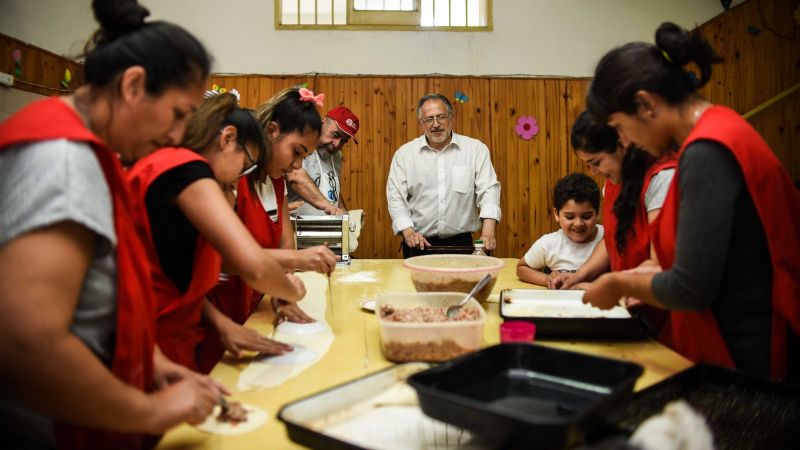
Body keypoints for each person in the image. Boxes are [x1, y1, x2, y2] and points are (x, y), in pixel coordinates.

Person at [0, 0, 221, 448]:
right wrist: (150, 410)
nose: (179, 136)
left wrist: (149, 360)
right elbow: (26, 344)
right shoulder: (63, 160)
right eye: (179, 114)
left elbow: (90, 305)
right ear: (134, 85)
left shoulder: (92, 151)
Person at [583, 22, 800, 381]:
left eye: (620, 127)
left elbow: (690, 288)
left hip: (748, 351)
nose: (626, 141)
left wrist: (617, 284)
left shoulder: (707, 151)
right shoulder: (719, 129)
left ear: (645, 104)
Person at [127, 91, 323, 374]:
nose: (238, 181)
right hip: (154, 336)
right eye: (244, 167)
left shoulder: (184, 170)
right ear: (227, 138)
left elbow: (189, 278)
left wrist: (223, 324)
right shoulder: (187, 173)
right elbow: (247, 264)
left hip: (174, 336)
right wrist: (289, 286)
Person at [201, 87, 337, 373]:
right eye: (296, 152)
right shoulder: (231, 178)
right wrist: (297, 264)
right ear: (272, 131)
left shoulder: (276, 180)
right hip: (217, 319)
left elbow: (285, 241)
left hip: (252, 313)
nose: (297, 165)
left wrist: (283, 295)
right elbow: (228, 258)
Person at [550, 112, 676, 290]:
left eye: (596, 162)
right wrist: (577, 276)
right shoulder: (612, 183)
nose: (594, 171)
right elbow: (613, 240)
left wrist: (606, 287)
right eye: (589, 164)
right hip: (628, 304)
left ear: (621, 146)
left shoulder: (662, 179)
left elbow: (661, 265)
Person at [387, 93, 501, 258]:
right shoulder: (405, 154)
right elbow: (395, 197)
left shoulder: (475, 150)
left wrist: (488, 233)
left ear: (451, 118)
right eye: (429, 119)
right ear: (421, 124)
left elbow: (489, 191)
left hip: (461, 244)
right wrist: (408, 232)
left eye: (441, 117)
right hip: (419, 243)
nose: (436, 125)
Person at [516, 173, 604, 287]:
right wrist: (548, 279)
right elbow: (521, 268)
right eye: (570, 217)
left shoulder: (609, 237)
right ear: (556, 214)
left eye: (586, 216)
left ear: (597, 213)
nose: (578, 224)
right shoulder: (549, 244)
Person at [286, 105, 360, 216]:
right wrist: (326, 205)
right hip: (296, 227)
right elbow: (296, 177)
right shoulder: (300, 142)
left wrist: (346, 217)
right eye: (335, 134)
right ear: (323, 122)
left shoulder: (337, 156)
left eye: (344, 141)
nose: (337, 144)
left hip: (327, 230)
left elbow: (333, 193)